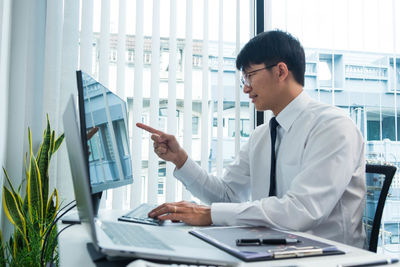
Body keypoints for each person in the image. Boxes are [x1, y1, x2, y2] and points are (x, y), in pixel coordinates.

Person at [137, 30, 366, 248]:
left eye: (250, 76)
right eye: (243, 78)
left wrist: (209, 214)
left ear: (280, 71)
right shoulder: (262, 135)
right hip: (268, 250)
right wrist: (181, 160)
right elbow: (228, 195)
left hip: (328, 257)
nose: (246, 88)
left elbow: (302, 210)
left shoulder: (332, 127)